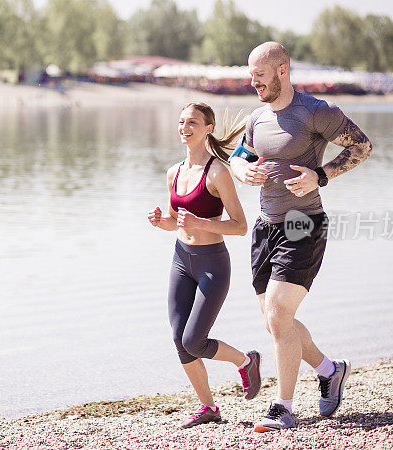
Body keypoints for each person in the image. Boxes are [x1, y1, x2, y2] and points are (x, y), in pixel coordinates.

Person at [228, 42, 373, 432]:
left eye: (259, 74)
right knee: (277, 322)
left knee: (277, 314)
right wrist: (241, 170)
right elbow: (239, 156)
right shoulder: (258, 119)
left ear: (282, 70)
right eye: (251, 74)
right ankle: (329, 371)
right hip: (266, 227)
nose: (252, 81)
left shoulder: (315, 111)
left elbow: (362, 146)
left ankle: (283, 407)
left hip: (303, 223)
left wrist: (321, 175)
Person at [148, 102, 261, 429]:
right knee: (178, 338)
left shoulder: (218, 172)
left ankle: (246, 361)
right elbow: (175, 222)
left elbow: (240, 226)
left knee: (194, 340)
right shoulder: (174, 172)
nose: (185, 127)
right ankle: (208, 407)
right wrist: (161, 222)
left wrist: (201, 222)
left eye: (193, 122)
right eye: (181, 122)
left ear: (208, 128)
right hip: (181, 260)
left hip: (213, 264)